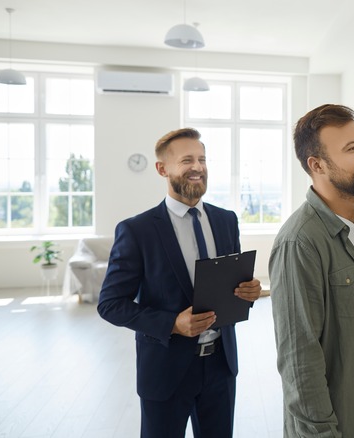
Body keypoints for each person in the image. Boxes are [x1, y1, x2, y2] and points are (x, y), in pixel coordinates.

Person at [97, 128, 262, 438]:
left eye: (202, 159)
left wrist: (248, 292)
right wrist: (172, 323)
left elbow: (229, 286)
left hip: (221, 366)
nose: (197, 167)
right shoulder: (137, 230)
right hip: (165, 370)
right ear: (163, 169)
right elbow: (110, 305)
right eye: (187, 160)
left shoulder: (227, 220)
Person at [268, 104, 354, 437]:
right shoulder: (299, 242)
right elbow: (299, 360)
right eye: (352, 149)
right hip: (337, 426)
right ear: (317, 164)